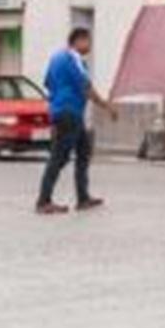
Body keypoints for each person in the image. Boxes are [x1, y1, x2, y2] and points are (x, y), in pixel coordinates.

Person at [36, 24, 110, 215]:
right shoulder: (73, 59)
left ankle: (83, 197)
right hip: (69, 113)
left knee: (84, 152)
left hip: (65, 111)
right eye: (88, 41)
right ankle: (43, 201)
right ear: (78, 41)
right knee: (58, 157)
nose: (90, 45)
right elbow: (86, 86)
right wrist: (106, 106)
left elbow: (48, 83)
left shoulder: (56, 58)